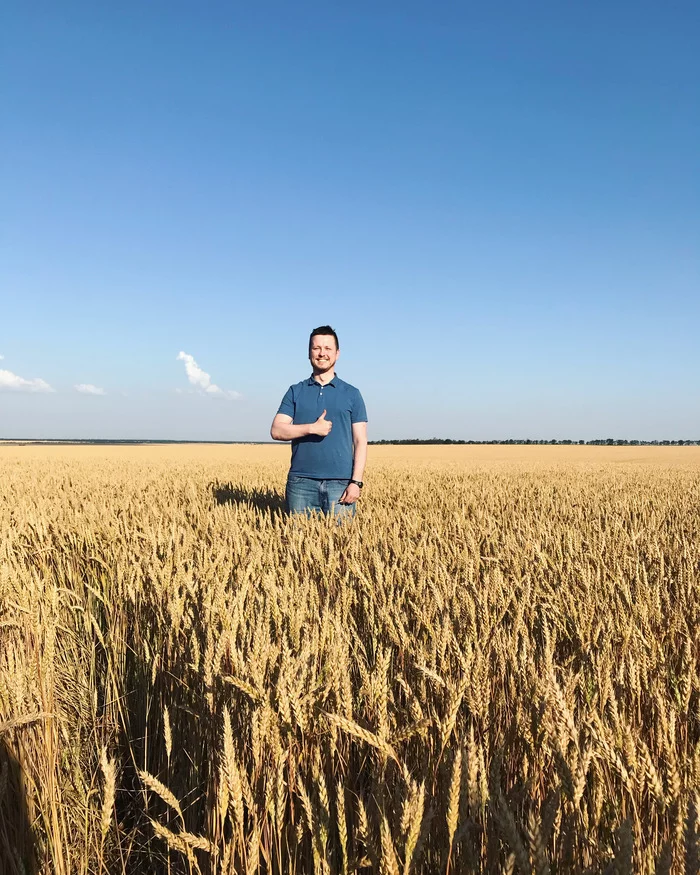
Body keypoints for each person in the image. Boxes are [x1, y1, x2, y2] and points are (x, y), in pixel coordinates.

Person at [270, 326, 367, 517]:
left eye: (328, 348)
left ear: (337, 354)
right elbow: (277, 430)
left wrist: (356, 482)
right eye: (316, 348)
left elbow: (360, 441)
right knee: (297, 544)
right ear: (309, 353)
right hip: (301, 483)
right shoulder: (295, 391)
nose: (322, 353)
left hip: (340, 483)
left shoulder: (352, 394)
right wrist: (311, 428)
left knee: (343, 544)